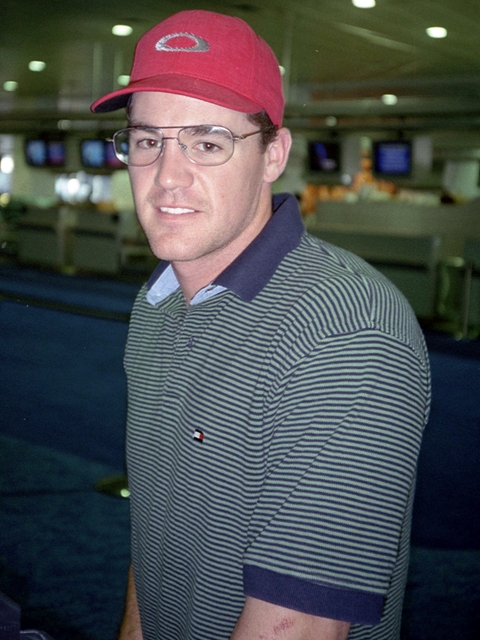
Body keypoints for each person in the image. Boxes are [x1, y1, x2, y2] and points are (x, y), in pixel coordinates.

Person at [92, 9, 431, 640]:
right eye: (147, 141)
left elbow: (300, 626)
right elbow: (156, 539)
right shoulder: (158, 304)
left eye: (207, 143)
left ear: (273, 154)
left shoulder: (347, 331)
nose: (167, 176)